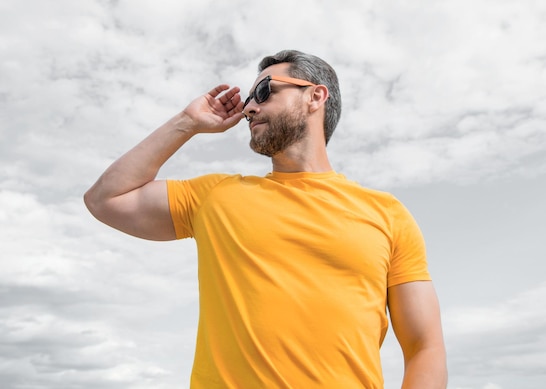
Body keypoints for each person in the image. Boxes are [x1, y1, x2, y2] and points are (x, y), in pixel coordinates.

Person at [84, 50, 447, 388]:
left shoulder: (387, 214)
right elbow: (106, 199)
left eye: (263, 91)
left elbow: (424, 346)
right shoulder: (214, 197)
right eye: (247, 101)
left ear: (315, 96)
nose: (248, 109)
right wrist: (187, 122)